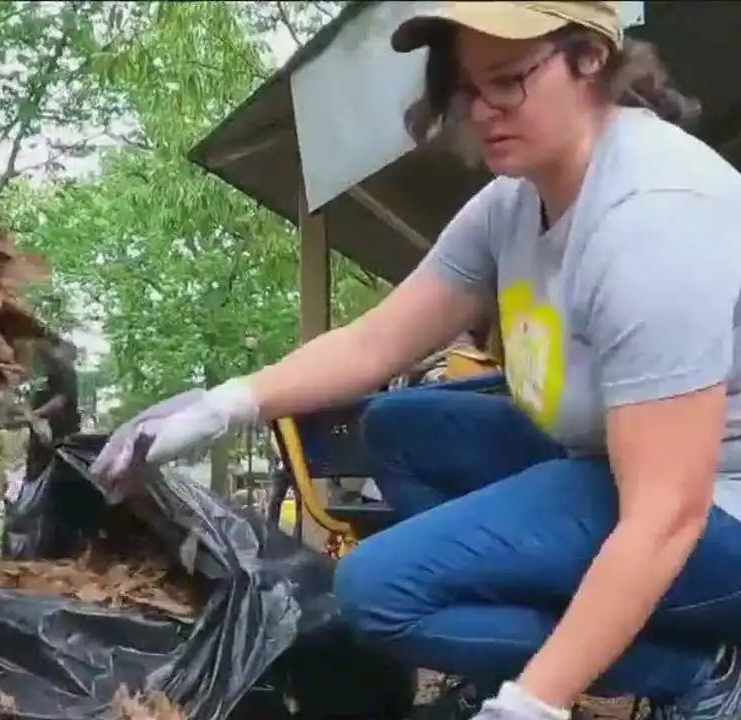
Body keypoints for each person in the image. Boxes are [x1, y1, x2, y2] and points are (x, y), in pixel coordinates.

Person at [92, 3, 741, 718]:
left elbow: (667, 513)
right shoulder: (514, 204)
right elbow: (376, 342)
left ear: (590, 58)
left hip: (715, 513)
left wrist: (536, 701)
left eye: (507, 81)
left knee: (380, 593)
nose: (483, 111)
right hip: (613, 468)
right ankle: (531, 630)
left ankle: (688, 665)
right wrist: (221, 406)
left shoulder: (652, 219)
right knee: (401, 427)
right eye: (466, 89)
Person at [24, 338, 81, 483]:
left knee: (51, 474)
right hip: (41, 439)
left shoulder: (67, 373)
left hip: (59, 438)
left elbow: (61, 400)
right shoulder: (49, 377)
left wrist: (36, 414)